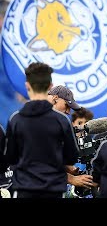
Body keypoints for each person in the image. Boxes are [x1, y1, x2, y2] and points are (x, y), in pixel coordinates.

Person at [4, 62, 79, 198]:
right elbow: (71, 157)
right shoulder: (62, 120)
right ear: (50, 86)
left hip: (24, 189)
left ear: (27, 86)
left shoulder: (15, 120)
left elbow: (10, 158)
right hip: (54, 190)